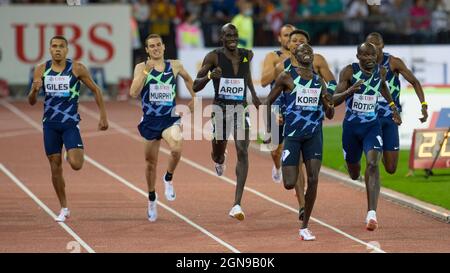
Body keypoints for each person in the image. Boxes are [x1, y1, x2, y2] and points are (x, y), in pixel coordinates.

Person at [27, 36, 109, 222]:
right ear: (49, 49)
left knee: (76, 164)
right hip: (50, 124)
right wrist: (34, 90)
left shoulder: (76, 68)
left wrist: (103, 116)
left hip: (70, 122)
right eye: (54, 46)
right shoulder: (41, 69)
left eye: (61, 46)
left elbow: (96, 90)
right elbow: (31, 102)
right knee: (54, 167)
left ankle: (70, 152)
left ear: (67, 50)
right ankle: (64, 208)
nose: (57, 49)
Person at [265, 43, 334, 240]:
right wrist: (271, 129)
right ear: (294, 54)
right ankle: (292, 185)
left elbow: (328, 114)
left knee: (313, 179)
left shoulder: (319, 81)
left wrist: (328, 103)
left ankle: (305, 226)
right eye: (302, 51)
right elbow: (268, 101)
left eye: (310, 51)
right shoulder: (287, 76)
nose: (307, 54)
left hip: (314, 135)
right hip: (293, 136)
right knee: (288, 182)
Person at [193, 23, 261, 221]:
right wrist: (209, 76)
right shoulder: (213, 56)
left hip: (241, 108)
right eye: (228, 35)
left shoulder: (247, 54)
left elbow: (246, 75)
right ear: (221, 38)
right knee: (217, 153)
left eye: (235, 34)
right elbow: (195, 86)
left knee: (243, 150)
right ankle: (219, 158)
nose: (232, 37)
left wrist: (254, 96)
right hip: (221, 109)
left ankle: (237, 203)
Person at [333, 42, 402, 231]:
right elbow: (333, 99)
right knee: (354, 173)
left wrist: (393, 107)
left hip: (372, 126)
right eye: (366, 55)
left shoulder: (380, 71)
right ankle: (350, 161)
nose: (370, 58)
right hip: (351, 129)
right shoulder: (349, 72)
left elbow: (383, 88)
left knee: (373, 163)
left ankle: (372, 213)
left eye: (373, 55)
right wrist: (349, 91)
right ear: (358, 57)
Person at [129, 34, 196, 222]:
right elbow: (133, 92)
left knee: (176, 148)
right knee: (150, 164)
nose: (156, 48)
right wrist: (145, 73)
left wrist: (194, 98)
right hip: (150, 121)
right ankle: (151, 198)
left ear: (164, 47)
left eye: (158, 45)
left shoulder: (175, 65)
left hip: (169, 118)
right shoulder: (141, 67)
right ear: (147, 50)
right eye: (152, 46)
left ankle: (168, 178)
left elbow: (189, 80)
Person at [260, 24, 307, 222]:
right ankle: (278, 167)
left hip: (295, 111)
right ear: (280, 39)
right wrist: (280, 67)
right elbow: (263, 81)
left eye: (293, 36)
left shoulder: (305, 57)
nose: (290, 39)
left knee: (298, 155)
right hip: (274, 107)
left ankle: (301, 196)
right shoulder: (273, 56)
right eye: (286, 36)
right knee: (274, 149)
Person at [366, 32, 428, 174]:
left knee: (391, 168)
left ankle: (379, 150)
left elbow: (415, 82)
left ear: (382, 45)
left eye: (376, 43)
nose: (373, 47)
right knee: (372, 161)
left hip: (391, 116)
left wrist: (423, 105)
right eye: (370, 44)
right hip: (371, 116)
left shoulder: (393, 62)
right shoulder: (363, 66)